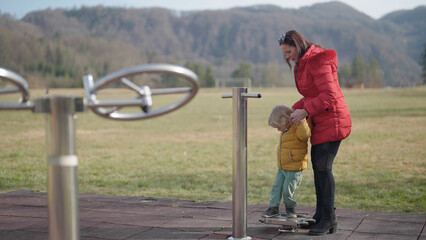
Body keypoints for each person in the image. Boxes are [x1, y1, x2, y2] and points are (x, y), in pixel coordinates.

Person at [277, 30, 352, 236]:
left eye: (289, 51)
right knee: (319, 168)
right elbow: (311, 94)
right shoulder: (304, 62)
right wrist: (291, 111)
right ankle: (321, 216)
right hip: (321, 120)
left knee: (323, 168)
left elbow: (330, 94)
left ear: (298, 45)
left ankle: (329, 218)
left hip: (333, 120)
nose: (287, 56)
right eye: (284, 53)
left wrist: (306, 110)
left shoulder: (319, 60)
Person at [261, 105, 311, 219]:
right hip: (282, 167)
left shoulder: (298, 127)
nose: (278, 130)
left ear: (286, 120)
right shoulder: (286, 129)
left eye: (279, 127)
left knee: (288, 190)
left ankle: (290, 208)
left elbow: (305, 135)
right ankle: (273, 208)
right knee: (276, 188)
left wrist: (302, 121)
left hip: (294, 168)